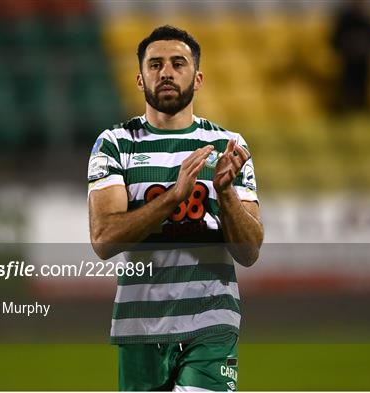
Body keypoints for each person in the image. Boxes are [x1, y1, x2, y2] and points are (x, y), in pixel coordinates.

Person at [88, 25, 263, 391]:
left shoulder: (227, 145)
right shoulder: (115, 144)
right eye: (155, 64)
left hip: (211, 321)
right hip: (139, 327)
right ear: (139, 79)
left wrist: (226, 192)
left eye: (177, 63)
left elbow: (248, 252)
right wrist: (173, 197)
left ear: (197, 78)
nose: (166, 72)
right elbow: (104, 239)